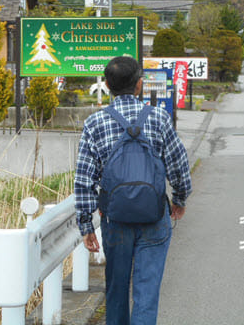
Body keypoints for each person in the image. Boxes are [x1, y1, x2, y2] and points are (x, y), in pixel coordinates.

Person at [74, 56, 192, 325]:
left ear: (107, 84)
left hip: (115, 219)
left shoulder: (95, 123)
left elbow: (83, 179)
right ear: (139, 85)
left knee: (116, 289)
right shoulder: (160, 118)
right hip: (154, 216)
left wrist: (85, 224)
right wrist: (180, 199)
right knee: (146, 293)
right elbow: (178, 163)